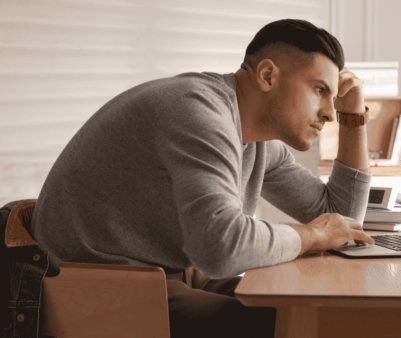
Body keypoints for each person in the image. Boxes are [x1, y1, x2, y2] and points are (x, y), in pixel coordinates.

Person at [31, 19, 374, 337]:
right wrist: (311, 235)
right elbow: (220, 247)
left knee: (317, 307)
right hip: (100, 286)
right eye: (319, 90)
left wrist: (353, 116)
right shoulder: (197, 113)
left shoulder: (256, 140)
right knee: (298, 325)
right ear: (268, 76)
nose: (330, 111)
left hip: (167, 273)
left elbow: (343, 217)